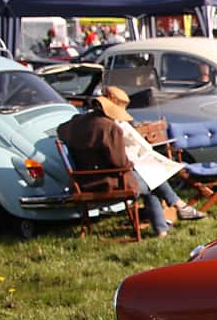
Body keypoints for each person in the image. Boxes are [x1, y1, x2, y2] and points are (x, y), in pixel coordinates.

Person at [58, 87, 203, 238]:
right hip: (106, 183)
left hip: (83, 180)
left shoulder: (76, 122)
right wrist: (132, 163)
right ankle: (176, 209)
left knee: (150, 179)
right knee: (152, 180)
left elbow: (60, 130)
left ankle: (165, 226)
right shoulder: (110, 128)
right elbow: (119, 163)